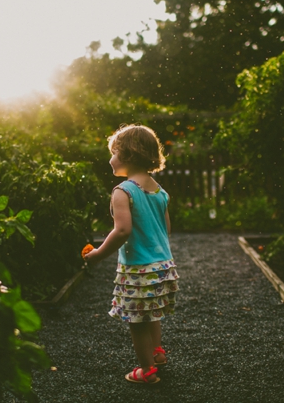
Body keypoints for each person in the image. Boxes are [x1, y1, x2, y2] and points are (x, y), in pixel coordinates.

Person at [84, 124, 180, 385]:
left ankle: (146, 371)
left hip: (138, 269)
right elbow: (166, 229)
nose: (110, 158)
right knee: (153, 312)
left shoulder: (123, 191)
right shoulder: (160, 191)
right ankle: (157, 353)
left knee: (137, 321)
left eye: (114, 152)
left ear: (127, 155)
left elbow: (123, 230)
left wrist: (98, 254)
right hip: (164, 266)